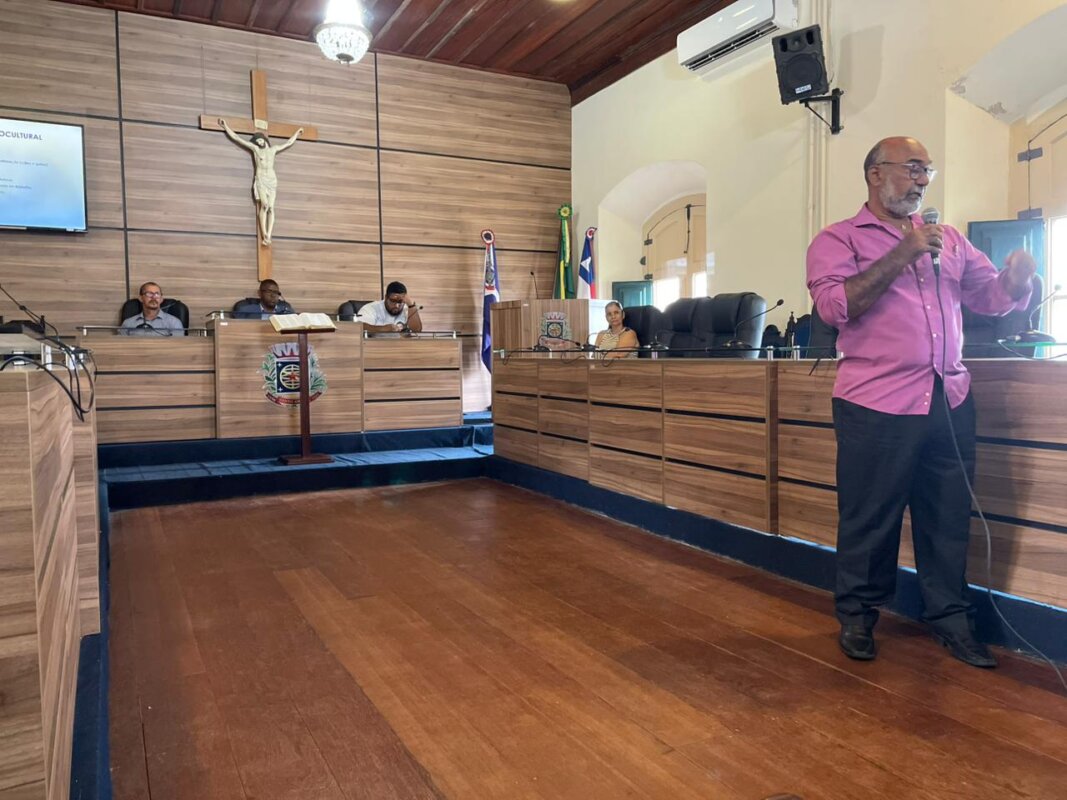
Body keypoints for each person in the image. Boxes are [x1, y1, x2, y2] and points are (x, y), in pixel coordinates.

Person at [806, 136, 1035, 668]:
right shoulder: (838, 238)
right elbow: (836, 306)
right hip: (875, 403)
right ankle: (859, 618)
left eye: (927, 170)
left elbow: (991, 299)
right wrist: (903, 252)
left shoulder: (949, 239)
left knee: (947, 516)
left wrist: (1019, 281)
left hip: (948, 398)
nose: (922, 179)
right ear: (874, 173)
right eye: (912, 168)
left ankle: (951, 619)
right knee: (871, 519)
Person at [219, 118, 302, 245]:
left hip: (272, 180)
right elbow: (237, 138)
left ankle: (269, 234)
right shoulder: (256, 150)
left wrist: (297, 133)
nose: (259, 142)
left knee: (272, 208)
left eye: (260, 139)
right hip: (261, 180)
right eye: (257, 141)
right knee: (265, 205)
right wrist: (226, 127)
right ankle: (264, 234)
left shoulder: (273, 150)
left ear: (264, 139)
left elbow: (288, 143)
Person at [120, 282, 186, 337]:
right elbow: (120, 348)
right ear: (141, 298)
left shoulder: (174, 323)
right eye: (149, 294)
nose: (153, 297)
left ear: (161, 299)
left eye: (157, 294)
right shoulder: (128, 323)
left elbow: (177, 349)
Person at [356, 281, 423, 333]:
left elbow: (417, 331)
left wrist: (411, 305)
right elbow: (359, 328)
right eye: (393, 301)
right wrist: (383, 329)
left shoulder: (407, 309)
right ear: (386, 297)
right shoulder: (371, 308)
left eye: (400, 302)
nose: (397, 305)